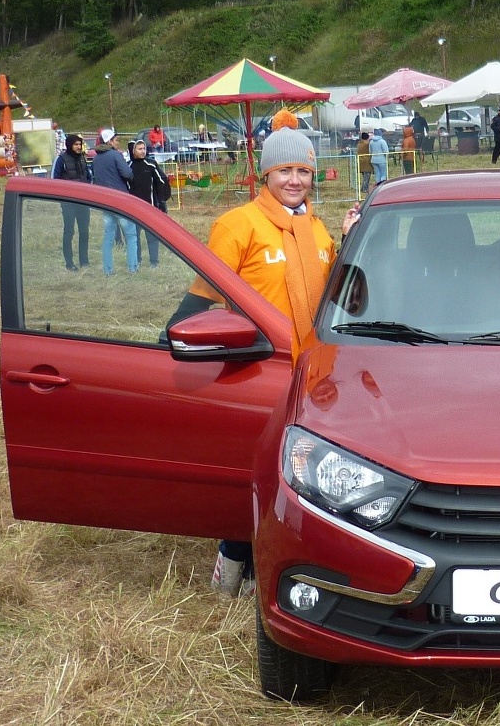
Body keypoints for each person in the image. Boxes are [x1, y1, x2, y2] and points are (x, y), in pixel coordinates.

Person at [173, 124, 337, 597]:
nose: (294, 180)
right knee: (253, 471)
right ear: (265, 173)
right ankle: (230, 568)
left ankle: (282, 565)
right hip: (257, 372)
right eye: (284, 169)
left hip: (312, 375)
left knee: (298, 474)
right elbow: (203, 297)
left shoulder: (317, 228)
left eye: (303, 170)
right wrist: (174, 341)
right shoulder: (237, 224)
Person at [91, 128, 139, 274]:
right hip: (120, 199)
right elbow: (127, 173)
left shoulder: (96, 158)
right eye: (116, 140)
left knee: (108, 237)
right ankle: (132, 268)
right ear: (109, 141)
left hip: (105, 201)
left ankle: (107, 270)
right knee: (131, 236)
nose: (118, 143)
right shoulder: (116, 155)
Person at [51, 134, 93, 271]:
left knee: (84, 232)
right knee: (69, 232)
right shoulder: (61, 159)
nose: (79, 147)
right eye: (76, 144)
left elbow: (88, 176)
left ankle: (84, 261)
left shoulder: (82, 159)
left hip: (83, 201)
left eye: (80, 144)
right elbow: (54, 180)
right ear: (69, 145)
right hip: (68, 202)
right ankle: (69, 263)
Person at [128, 139, 172, 268]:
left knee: (152, 237)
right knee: (135, 237)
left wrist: (162, 200)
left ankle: (154, 262)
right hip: (133, 209)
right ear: (133, 150)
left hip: (150, 207)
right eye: (139, 149)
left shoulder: (151, 164)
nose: (142, 151)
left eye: (144, 149)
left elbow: (162, 180)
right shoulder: (128, 166)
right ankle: (137, 260)